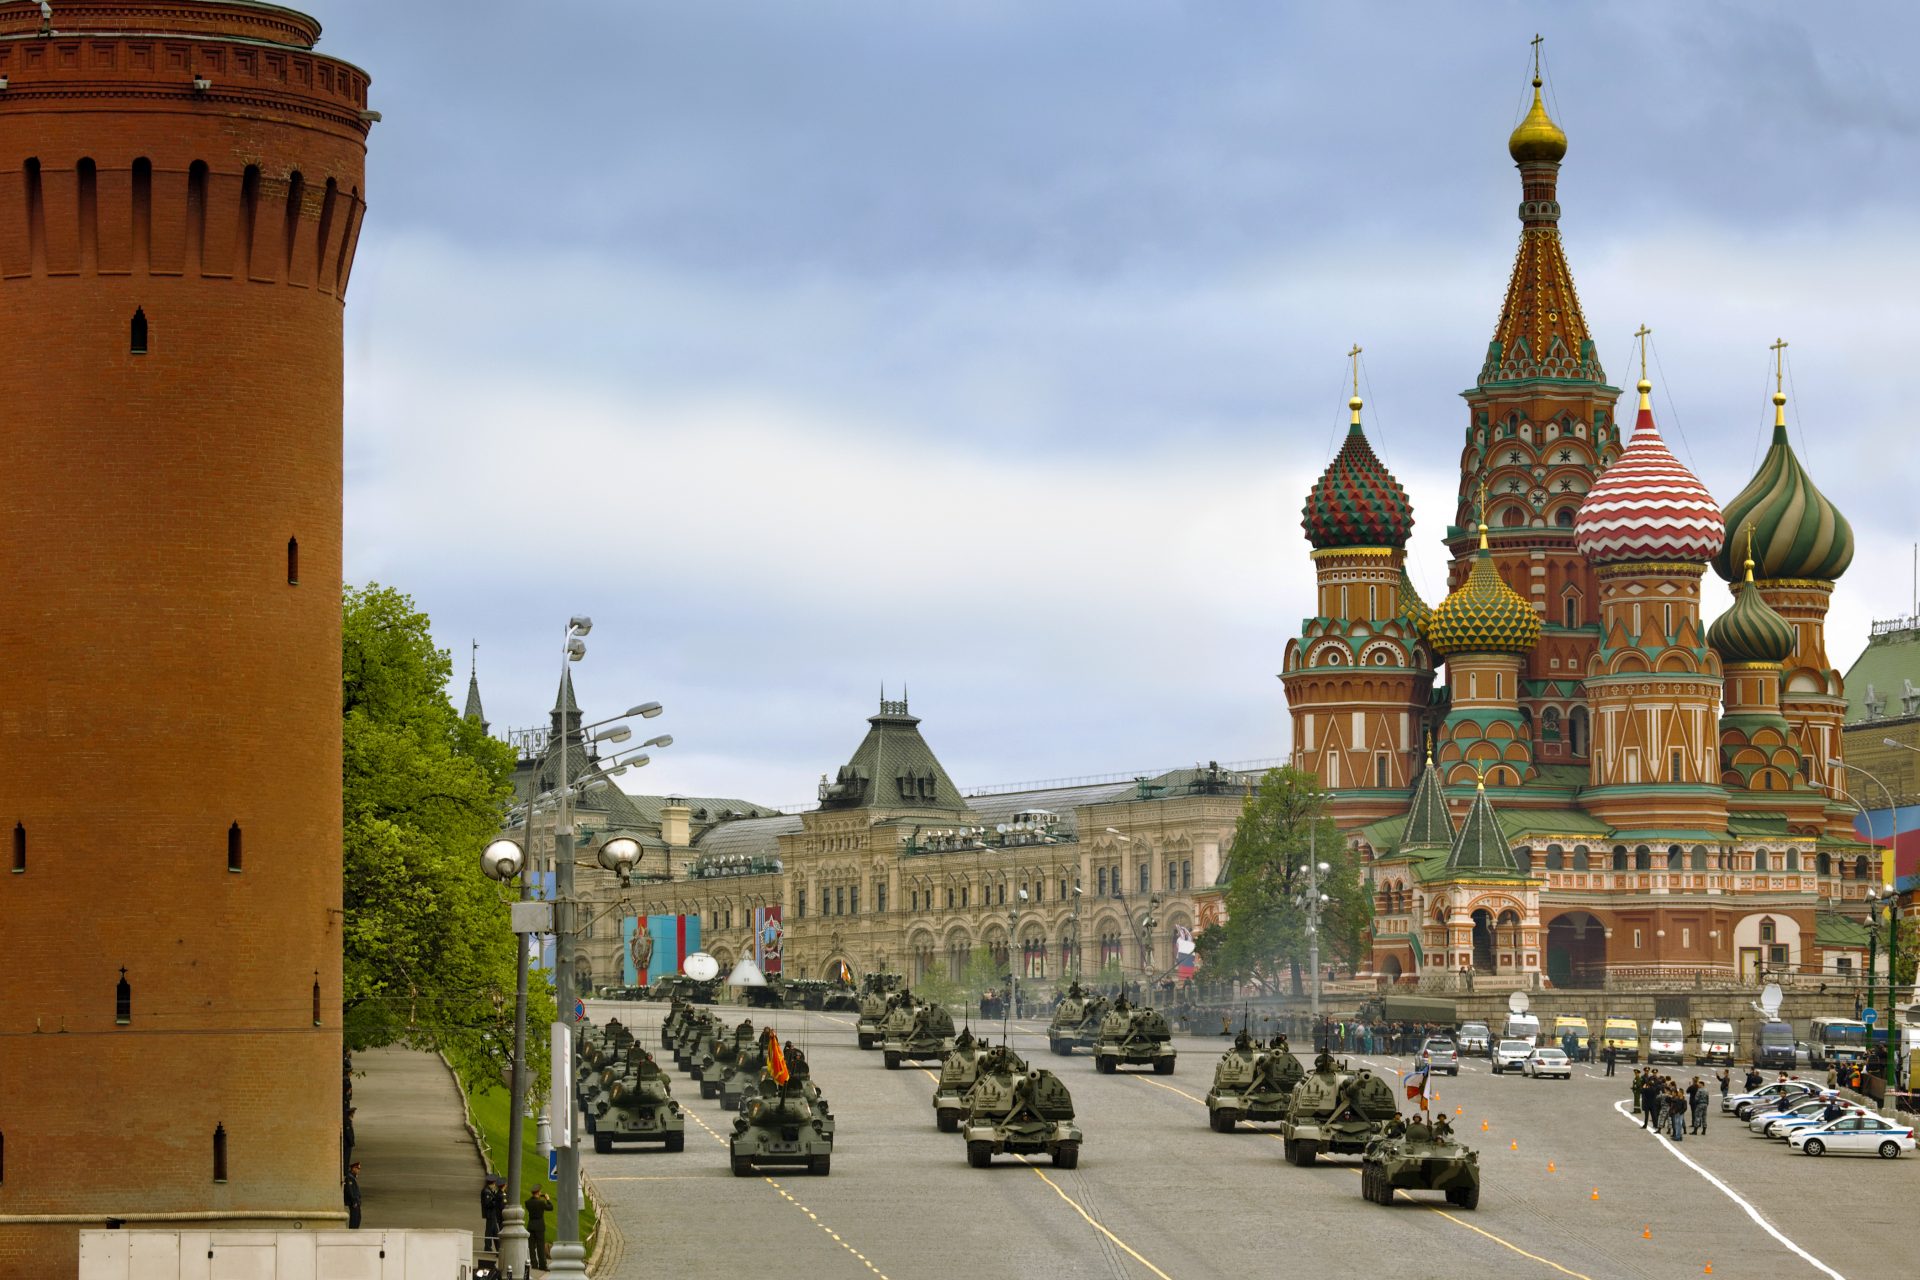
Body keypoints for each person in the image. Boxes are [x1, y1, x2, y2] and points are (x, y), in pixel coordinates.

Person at [525, 1187, 552, 1270]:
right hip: (539, 1226)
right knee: (540, 1246)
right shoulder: (541, 1202)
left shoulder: (527, 1202)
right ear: (538, 1193)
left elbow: (531, 1200)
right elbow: (550, 1207)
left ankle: (534, 1264)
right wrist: (547, 1199)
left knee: (532, 1246)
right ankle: (542, 1265)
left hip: (531, 1225)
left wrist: (535, 1196)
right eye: (540, 1192)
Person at [480, 1176, 503, 1253]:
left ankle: (496, 1247)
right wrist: (495, 1202)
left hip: (492, 1214)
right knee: (490, 1231)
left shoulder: (489, 1190)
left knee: (494, 1231)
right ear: (492, 1183)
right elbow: (488, 1204)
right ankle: (488, 1247)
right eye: (494, 1184)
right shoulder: (486, 1191)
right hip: (490, 1214)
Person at [343, 1161, 362, 1229]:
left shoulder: (352, 1177)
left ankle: (354, 1231)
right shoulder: (349, 1177)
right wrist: (354, 1201)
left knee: (358, 1218)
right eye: (357, 1168)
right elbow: (350, 1190)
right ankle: (352, 1233)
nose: (358, 1170)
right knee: (354, 1219)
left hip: (356, 1202)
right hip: (354, 1202)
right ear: (353, 1168)